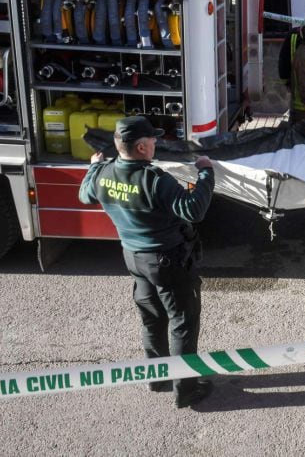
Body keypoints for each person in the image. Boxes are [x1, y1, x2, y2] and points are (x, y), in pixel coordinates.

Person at [78, 116, 215, 408]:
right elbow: (194, 210)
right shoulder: (154, 180)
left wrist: (93, 166)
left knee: (152, 320)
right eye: (152, 140)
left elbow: (84, 194)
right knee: (182, 323)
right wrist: (205, 173)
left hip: (134, 259)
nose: (155, 143)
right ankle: (187, 390)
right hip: (168, 261)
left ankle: (157, 378)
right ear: (141, 147)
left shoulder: (103, 174)